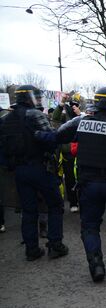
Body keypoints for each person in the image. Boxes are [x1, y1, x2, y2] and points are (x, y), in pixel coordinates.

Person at [36, 87, 106, 282]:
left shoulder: (80, 122)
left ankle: (96, 265)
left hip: (88, 184)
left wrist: (35, 135)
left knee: (90, 226)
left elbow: (55, 137)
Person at [0, 85, 69, 261]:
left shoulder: (6, 119)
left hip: (19, 171)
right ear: (28, 98)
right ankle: (55, 245)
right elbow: (51, 139)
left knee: (28, 210)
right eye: (37, 98)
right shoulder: (35, 115)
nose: (39, 101)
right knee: (55, 205)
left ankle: (32, 250)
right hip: (40, 167)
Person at [51, 93, 81, 213]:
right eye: (72, 105)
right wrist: (62, 103)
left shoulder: (83, 117)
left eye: (76, 105)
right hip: (68, 154)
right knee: (69, 179)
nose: (74, 107)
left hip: (81, 154)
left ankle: (83, 201)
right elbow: (55, 118)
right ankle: (73, 203)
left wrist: (80, 114)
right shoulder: (65, 118)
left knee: (83, 178)